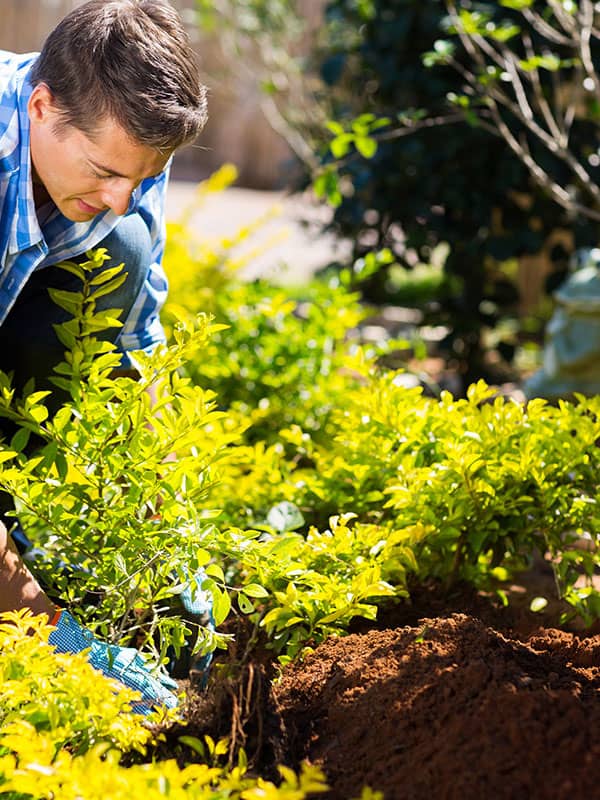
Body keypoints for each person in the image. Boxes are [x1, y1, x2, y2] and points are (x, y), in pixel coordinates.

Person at [0, 0, 209, 714]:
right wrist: (50, 631)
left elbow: (137, 345)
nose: (123, 196)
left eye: (143, 176)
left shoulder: (123, 151)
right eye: (104, 171)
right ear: (41, 106)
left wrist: (163, 532)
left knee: (120, 249)